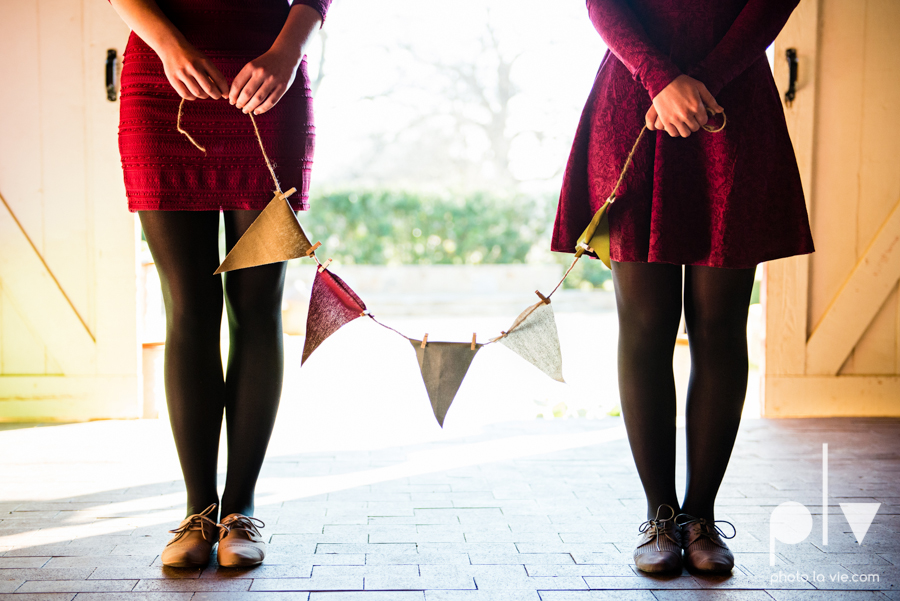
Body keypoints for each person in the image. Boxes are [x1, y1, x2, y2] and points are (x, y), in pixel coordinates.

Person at [552, 0, 814, 574]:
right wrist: (661, 79)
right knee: (646, 328)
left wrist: (701, 86)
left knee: (721, 327)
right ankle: (660, 517)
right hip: (634, 102)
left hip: (732, 103)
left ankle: (701, 517)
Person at [108, 0, 331, 568]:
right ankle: (197, 513)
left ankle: (241, 508)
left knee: (257, 308)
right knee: (188, 306)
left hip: (269, 87)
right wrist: (167, 44)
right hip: (163, 86)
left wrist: (288, 50)